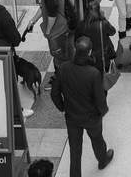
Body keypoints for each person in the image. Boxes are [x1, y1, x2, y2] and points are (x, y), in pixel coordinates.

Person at [51, 37, 114, 177]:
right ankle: (102, 160)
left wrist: (62, 107)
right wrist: (103, 111)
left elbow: (54, 93)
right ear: (90, 52)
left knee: (75, 150)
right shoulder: (93, 73)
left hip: (72, 117)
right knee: (97, 139)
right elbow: (100, 98)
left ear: (75, 49)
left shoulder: (63, 68)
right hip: (91, 117)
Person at [75, 1, 117, 74]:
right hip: (103, 57)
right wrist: (104, 18)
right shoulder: (103, 24)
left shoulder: (81, 25)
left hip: (87, 58)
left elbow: (76, 41)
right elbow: (113, 32)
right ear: (99, 11)